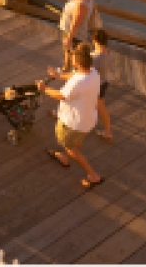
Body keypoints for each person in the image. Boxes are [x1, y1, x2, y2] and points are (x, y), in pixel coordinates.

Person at [40, 43, 103, 189]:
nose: (72, 62)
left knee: (69, 145)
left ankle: (93, 175)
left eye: (74, 60)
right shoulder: (93, 72)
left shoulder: (77, 83)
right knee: (76, 141)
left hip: (73, 124)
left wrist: (44, 89)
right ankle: (64, 158)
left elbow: (61, 95)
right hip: (87, 120)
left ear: (79, 63)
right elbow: (76, 74)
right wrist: (59, 76)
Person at [60, 0, 99, 71]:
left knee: (75, 55)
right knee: (68, 51)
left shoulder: (81, 5)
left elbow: (76, 23)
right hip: (73, 32)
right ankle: (66, 67)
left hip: (74, 34)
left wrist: (69, 38)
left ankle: (75, 74)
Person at [91, 29, 112, 141]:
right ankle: (107, 132)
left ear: (93, 40)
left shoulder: (95, 57)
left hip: (94, 85)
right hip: (104, 82)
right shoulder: (109, 53)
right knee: (100, 107)